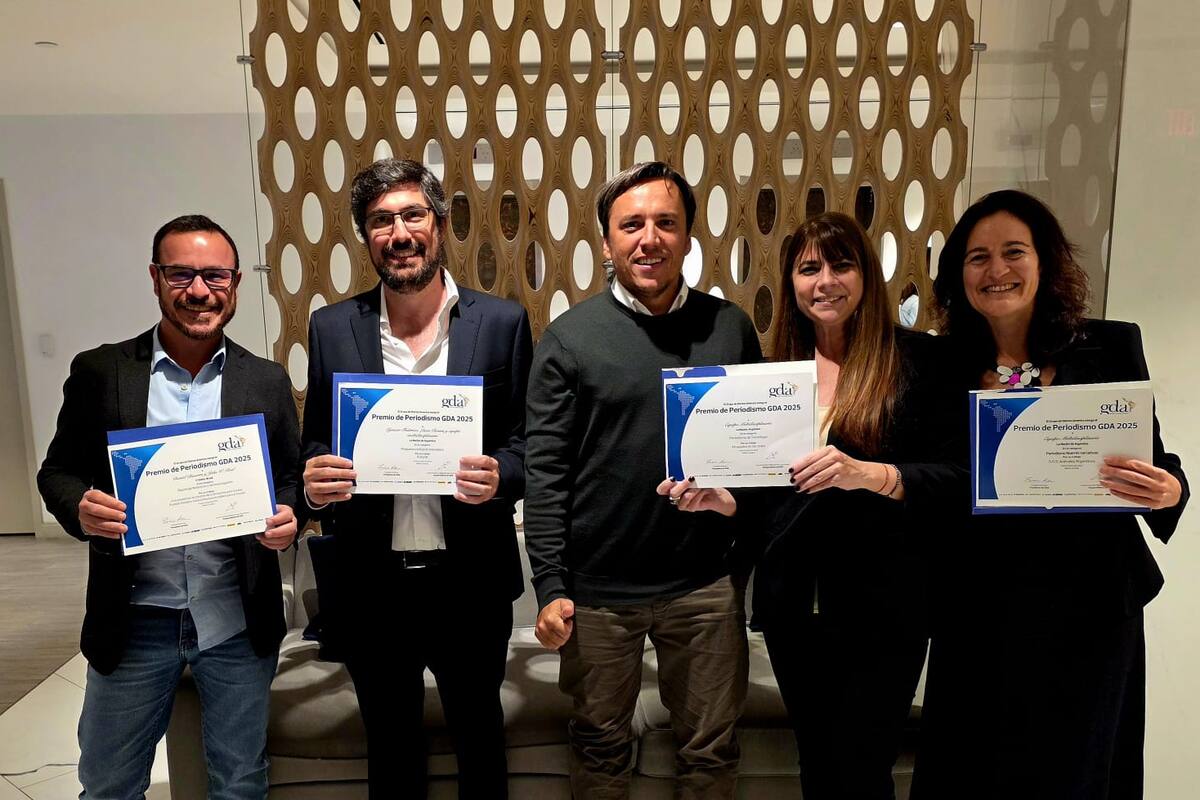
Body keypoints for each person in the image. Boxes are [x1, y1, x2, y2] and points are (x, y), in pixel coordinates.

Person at [662, 212, 961, 798]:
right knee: (817, 765)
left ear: (866, 275)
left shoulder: (921, 361)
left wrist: (869, 474)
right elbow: (772, 507)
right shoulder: (775, 376)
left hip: (884, 607)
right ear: (792, 284)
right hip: (793, 608)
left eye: (841, 265)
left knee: (863, 770)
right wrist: (727, 502)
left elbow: (956, 479)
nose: (825, 281)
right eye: (808, 269)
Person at [911, 189, 1189, 799]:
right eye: (978, 257)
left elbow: (1155, 461)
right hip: (979, 608)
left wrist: (1169, 490)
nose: (997, 270)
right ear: (959, 274)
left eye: (1014, 251)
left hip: (1091, 608)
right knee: (975, 770)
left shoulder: (1109, 346)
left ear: (1045, 261)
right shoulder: (937, 365)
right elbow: (931, 478)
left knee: (1078, 771)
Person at [37, 214, 300, 799]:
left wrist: (288, 517)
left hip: (234, 619)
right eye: (181, 275)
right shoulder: (102, 371)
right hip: (134, 619)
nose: (199, 291)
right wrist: (79, 507)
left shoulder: (265, 380)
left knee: (240, 782)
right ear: (155, 278)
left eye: (215, 276)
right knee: (108, 783)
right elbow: (56, 472)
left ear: (235, 282)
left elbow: (287, 479)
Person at [523, 161, 763, 799]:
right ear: (607, 243)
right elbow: (545, 474)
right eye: (631, 225)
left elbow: (759, 454)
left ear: (688, 236)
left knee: (711, 752)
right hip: (599, 592)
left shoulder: (730, 328)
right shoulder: (569, 339)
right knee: (600, 749)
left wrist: (739, 523)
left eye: (666, 223)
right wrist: (550, 585)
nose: (649, 238)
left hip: (704, 585)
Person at [300, 158, 531, 798]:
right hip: (371, 582)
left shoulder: (502, 323)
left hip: (471, 581)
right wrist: (315, 479)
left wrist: (502, 474)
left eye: (411, 215)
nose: (398, 234)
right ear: (365, 235)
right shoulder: (331, 327)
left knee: (480, 743)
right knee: (391, 751)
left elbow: (527, 445)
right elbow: (316, 438)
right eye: (381, 221)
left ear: (440, 224)